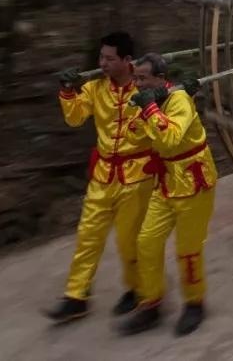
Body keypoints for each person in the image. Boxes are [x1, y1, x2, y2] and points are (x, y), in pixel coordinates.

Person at [47, 32, 154, 324]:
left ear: (127, 60)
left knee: (129, 241)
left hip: (137, 177)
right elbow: (75, 118)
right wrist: (68, 92)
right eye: (101, 57)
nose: (102, 63)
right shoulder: (94, 88)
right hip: (103, 176)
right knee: (88, 235)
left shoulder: (145, 88)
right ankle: (76, 296)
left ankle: (138, 290)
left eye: (109, 58)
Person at [121, 54, 217, 336]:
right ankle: (151, 302)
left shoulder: (180, 100)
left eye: (143, 78)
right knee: (146, 242)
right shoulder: (146, 101)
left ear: (161, 79)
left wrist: (151, 108)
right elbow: (132, 135)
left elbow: (171, 138)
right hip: (165, 182)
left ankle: (194, 303)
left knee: (188, 250)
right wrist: (146, 109)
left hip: (193, 182)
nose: (137, 84)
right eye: (135, 78)